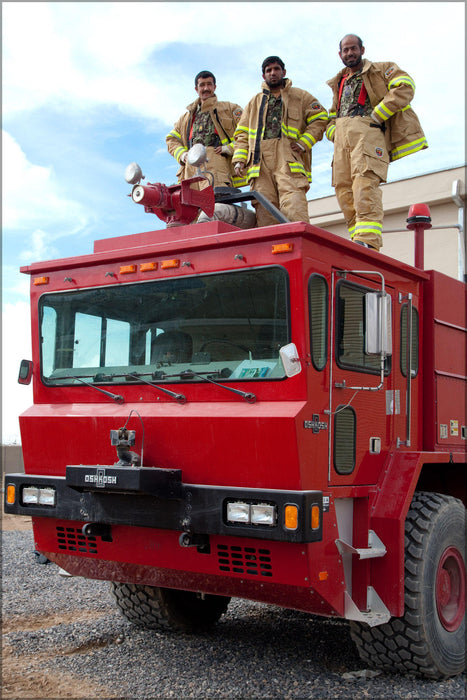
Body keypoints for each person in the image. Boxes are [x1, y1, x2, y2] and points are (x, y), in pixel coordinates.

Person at [326, 34, 428, 251]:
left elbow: (405, 85)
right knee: (344, 190)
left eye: (353, 48)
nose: (349, 53)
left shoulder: (381, 69)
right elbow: (331, 114)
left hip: (368, 134)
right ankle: (357, 241)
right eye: (345, 50)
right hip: (342, 140)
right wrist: (333, 131)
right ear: (339, 54)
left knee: (364, 184)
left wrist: (378, 115)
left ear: (362, 50)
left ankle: (369, 242)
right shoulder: (340, 81)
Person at [232, 56, 327, 227]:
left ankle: (299, 246)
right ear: (263, 76)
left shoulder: (300, 97)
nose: (273, 73)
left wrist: (304, 142)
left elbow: (320, 119)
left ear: (284, 72)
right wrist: (239, 159)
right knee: (265, 210)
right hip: (259, 164)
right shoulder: (254, 103)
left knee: (294, 205)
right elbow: (242, 134)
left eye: (276, 69)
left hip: (288, 159)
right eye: (268, 70)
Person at [166, 70, 243, 189]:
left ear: (215, 87)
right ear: (196, 89)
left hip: (217, 162)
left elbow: (247, 131)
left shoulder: (230, 109)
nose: (206, 88)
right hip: (190, 167)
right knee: (191, 204)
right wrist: (182, 155)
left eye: (209, 84)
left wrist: (229, 148)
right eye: (202, 85)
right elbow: (171, 139)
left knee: (217, 203)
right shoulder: (186, 118)